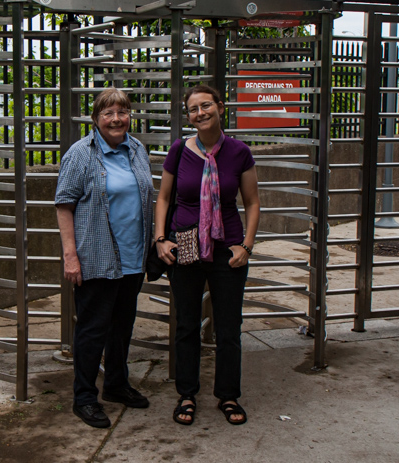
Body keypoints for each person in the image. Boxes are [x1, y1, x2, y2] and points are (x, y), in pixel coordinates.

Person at [154, 84, 260, 426]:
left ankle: (228, 395)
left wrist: (246, 245)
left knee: (229, 327)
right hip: (184, 243)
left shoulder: (239, 152)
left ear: (220, 107)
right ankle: (186, 393)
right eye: (193, 109)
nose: (200, 113)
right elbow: (165, 199)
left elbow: (252, 203)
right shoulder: (178, 151)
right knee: (186, 325)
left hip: (226, 248)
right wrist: (160, 239)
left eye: (206, 106)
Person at [54, 87, 155, 429]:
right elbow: (64, 206)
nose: (116, 118)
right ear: (96, 119)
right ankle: (84, 397)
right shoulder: (80, 154)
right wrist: (70, 256)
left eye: (122, 111)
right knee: (92, 331)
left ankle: (115, 384)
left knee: (122, 328)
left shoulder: (137, 149)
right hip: (96, 258)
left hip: (132, 257)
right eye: (108, 113)